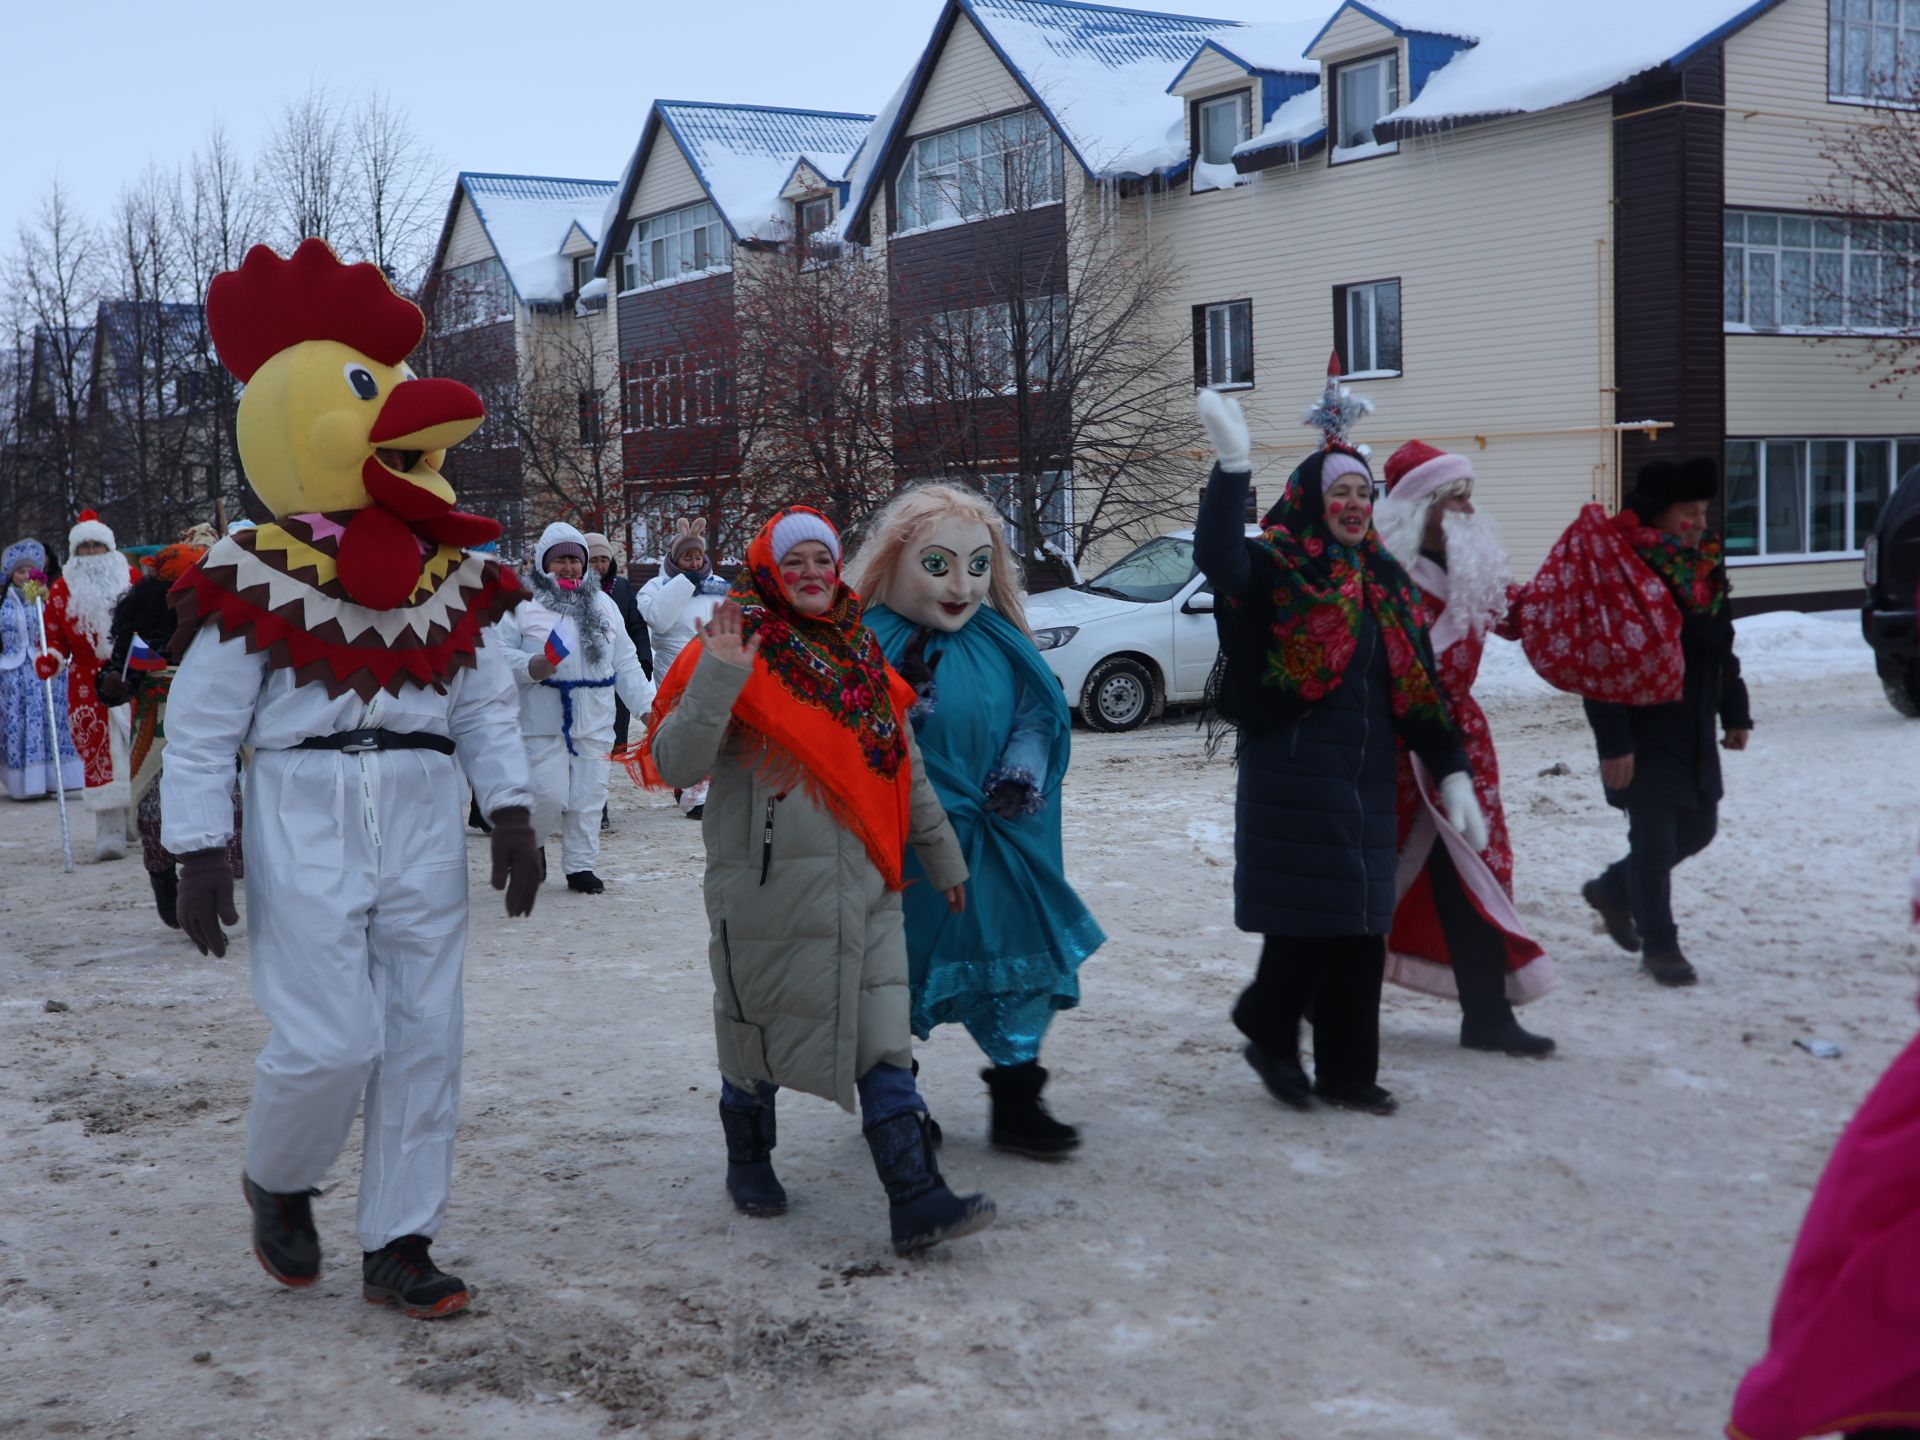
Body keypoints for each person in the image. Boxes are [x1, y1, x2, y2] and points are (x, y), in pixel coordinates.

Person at [162, 237, 541, 1318]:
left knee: (427, 1034)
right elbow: (198, 731)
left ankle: (401, 1240)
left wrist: (508, 807)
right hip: (304, 807)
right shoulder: (255, 579)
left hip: (422, 808)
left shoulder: (450, 580)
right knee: (331, 1039)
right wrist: (198, 846)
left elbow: (480, 703)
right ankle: (279, 1176)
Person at [633, 505, 995, 1255]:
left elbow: (903, 765)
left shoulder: (859, 652)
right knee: (756, 1035)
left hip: (868, 884)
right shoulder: (732, 645)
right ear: (768, 567)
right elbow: (674, 764)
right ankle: (748, 1158)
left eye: (821, 561)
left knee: (883, 1038)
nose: (808, 574)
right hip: (767, 893)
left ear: (838, 571)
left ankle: (916, 1198)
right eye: (792, 561)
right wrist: (723, 678)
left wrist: (941, 854)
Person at [1193, 373, 1485, 1117]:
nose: (1355, 504)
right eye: (1341, 492)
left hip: (1363, 783)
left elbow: (1419, 688)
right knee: (1305, 926)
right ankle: (1270, 1029)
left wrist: (1452, 771)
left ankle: (1349, 1072)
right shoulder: (1278, 565)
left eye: (1363, 491)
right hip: (1292, 775)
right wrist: (1230, 473)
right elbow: (1219, 558)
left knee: (1360, 928)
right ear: (1313, 500)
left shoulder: (1384, 580)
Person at [847, 483, 1104, 1156]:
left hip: (996, 840)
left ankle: (1018, 1099)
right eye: (938, 565)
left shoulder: (1003, 641)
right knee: (893, 971)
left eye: (978, 564)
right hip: (906, 851)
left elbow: (1038, 716)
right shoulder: (865, 646)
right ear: (895, 564)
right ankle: (899, 1109)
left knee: (1012, 958)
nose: (962, 584)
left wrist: (1021, 771)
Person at [1373, 441, 1557, 1056]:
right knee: (1371, 881)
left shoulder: (1473, 567)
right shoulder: (1380, 571)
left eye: (1467, 493)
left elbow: (1528, 613)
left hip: (1461, 744)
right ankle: (1328, 999)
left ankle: (1487, 1015)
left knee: (1477, 876)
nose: (1467, 507)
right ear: (1418, 505)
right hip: (1389, 749)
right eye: (1454, 497)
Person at [1579, 458, 1751, 987]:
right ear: (1658, 514)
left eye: (1704, 511)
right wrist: (1614, 744)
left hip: (1694, 722)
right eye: (1689, 512)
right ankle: (1661, 946)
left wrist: (1735, 709)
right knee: (1654, 841)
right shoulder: (1626, 570)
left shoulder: (1703, 565)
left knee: (1699, 828)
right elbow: (1600, 662)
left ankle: (1613, 888)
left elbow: (1721, 645)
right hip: (1643, 728)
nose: (1700, 522)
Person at [96, 531, 244, 929]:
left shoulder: (227, 614)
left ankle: (217, 882)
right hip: (155, 727)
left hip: (214, 722)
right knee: (155, 811)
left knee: (227, 805)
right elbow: (117, 671)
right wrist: (112, 684)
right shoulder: (139, 626)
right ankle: (162, 874)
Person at [507, 522, 654, 893]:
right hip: (543, 718)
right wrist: (531, 666)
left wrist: (647, 708)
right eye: (561, 561)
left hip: (595, 717)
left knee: (588, 798)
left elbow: (625, 662)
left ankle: (580, 866)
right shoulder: (522, 604)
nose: (569, 568)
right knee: (549, 795)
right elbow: (493, 654)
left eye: (576, 560)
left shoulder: (603, 604)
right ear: (543, 564)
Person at [39, 511, 140, 859]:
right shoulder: (62, 589)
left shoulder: (130, 578)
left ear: (109, 548)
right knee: (98, 751)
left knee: (137, 746)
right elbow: (54, 635)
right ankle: (108, 829)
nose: (92, 553)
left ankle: (135, 815)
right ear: (75, 552)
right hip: (85, 679)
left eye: (98, 546)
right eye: (85, 547)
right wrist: (50, 658)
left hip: (131, 674)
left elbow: (150, 620)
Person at [637, 518, 729, 818]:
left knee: (711, 728)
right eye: (686, 556)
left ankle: (697, 794)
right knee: (685, 728)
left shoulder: (717, 586)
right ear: (674, 559)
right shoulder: (656, 586)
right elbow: (658, 619)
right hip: (674, 668)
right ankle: (687, 786)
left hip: (711, 667)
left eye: (697, 556)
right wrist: (684, 583)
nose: (693, 561)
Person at [2, 539, 84, 801]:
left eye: (29, 571)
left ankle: (55, 778)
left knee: (48, 722)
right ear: (11, 574)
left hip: (42, 667)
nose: (25, 576)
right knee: (20, 724)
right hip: (13, 672)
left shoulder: (43, 599)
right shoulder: (3, 603)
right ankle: (24, 783)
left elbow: (54, 627)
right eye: (20, 572)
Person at [586, 531, 649, 832]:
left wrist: (644, 659)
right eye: (593, 559)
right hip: (584, 683)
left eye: (603, 559)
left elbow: (635, 627)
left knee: (609, 742)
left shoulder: (620, 588)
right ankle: (593, 805)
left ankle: (598, 803)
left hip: (616, 681)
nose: (598, 565)